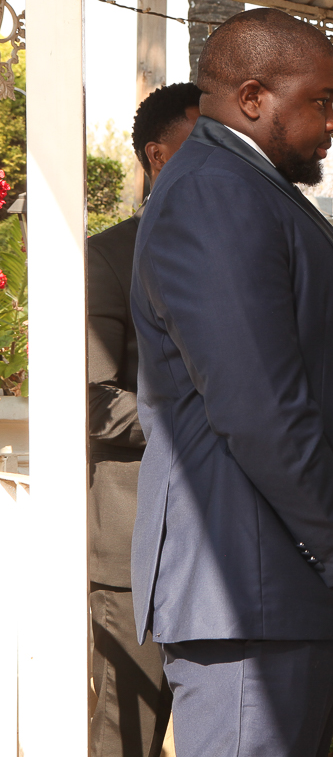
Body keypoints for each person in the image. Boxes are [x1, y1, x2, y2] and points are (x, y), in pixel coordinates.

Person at [130, 9, 333, 757]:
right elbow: (258, 405)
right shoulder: (214, 191)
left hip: (279, 587)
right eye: (320, 101)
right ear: (254, 97)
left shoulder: (246, 184)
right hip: (249, 589)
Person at [87, 82, 200, 757]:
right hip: (136, 549)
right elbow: (93, 402)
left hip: (226, 551)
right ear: (157, 158)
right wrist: (200, 420)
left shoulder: (241, 251)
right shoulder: (107, 256)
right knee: (124, 739)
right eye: (200, 144)